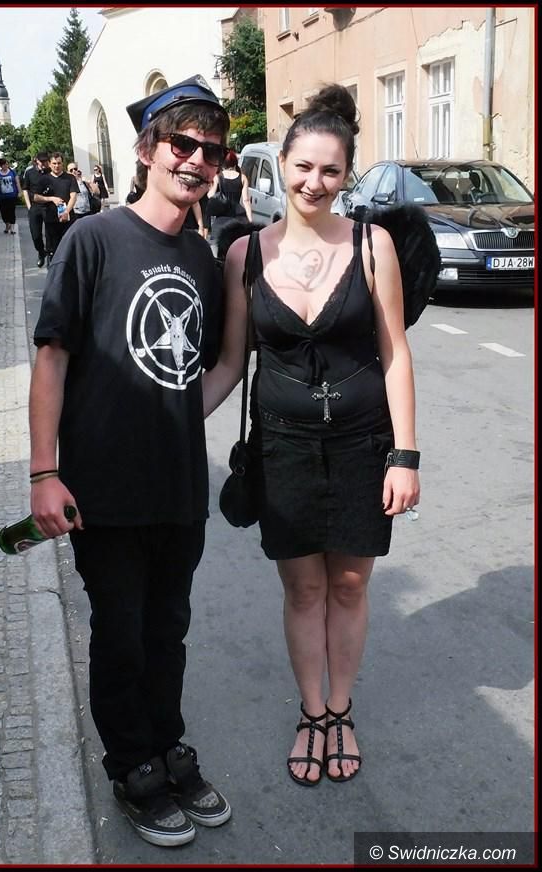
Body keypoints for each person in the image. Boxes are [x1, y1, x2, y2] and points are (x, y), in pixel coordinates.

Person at [28, 74, 231, 847]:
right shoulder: (92, 240)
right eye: (183, 143)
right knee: (120, 635)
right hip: (103, 491)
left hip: (179, 490)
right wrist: (44, 473)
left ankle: (167, 744)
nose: (197, 159)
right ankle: (132, 767)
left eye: (211, 150)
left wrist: (174, 421)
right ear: (148, 150)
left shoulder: (203, 259)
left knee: (167, 632)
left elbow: (205, 370)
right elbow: (52, 359)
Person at [203, 85, 420, 786]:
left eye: (330, 170)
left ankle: (341, 709)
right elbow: (230, 363)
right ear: (281, 165)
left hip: (362, 447)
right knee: (302, 590)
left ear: (346, 174)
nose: (314, 182)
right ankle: (311, 712)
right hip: (284, 449)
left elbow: (395, 354)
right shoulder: (244, 255)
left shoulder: (372, 246)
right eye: (303, 167)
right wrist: (168, 421)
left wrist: (405, 457)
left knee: (350, 586)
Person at [33, 152, 78, 264]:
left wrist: (66, 211)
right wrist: (51, 199)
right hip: (51, 220)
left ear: (62, 164)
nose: (56, 166)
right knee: (53, 251)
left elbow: (73, 196)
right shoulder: (44, 179)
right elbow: (36, 197)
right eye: (54, 163)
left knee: (69, 249)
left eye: (59, 163)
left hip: (67, 220)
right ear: (49, 164)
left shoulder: (70, 178)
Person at [206, 149, 252, 243]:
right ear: (235, 163)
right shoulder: (242, 178)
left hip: (221, 219)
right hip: (237, 218)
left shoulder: (218, 177)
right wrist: (250, 220)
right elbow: (246, 200)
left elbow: (210, 195)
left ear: (223, 163)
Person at [22, 152, 51, 268]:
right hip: (35, 207)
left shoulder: (51, 171)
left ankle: (50, 255)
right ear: (36, 161)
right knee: (36, 235)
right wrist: (29, 206)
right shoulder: (30, 173)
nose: (44, 163)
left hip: (49, 206)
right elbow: (25, 189)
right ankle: (41, 252)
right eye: (41, 161)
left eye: (45, 161)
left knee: (50, 234)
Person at [0, 158, 22, 234]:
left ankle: (12, 228)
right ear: (0, 165)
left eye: (7, 164)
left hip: (12, 195)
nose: (6, 166)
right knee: (3, 212)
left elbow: (17, 182)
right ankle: (7, 225)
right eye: (4, 164)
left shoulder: (12, 172)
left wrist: (20, 192)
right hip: (2, 196)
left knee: (11, 211)